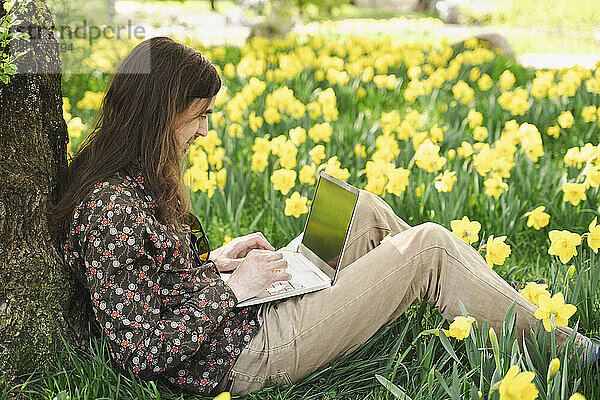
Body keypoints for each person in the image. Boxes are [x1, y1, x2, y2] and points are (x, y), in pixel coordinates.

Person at [48, 36, 595, 397]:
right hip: (245, 353)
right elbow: (138, 343)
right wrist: (236, 292)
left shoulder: (129, 183)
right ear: (158, 117)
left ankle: (466, 304)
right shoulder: (109, 209)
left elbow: (154, 283)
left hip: (241, 319)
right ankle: (570, 353)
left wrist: (217, 263)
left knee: (362, 211)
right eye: (199, 117)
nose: (205, 132)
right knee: (427, 247)